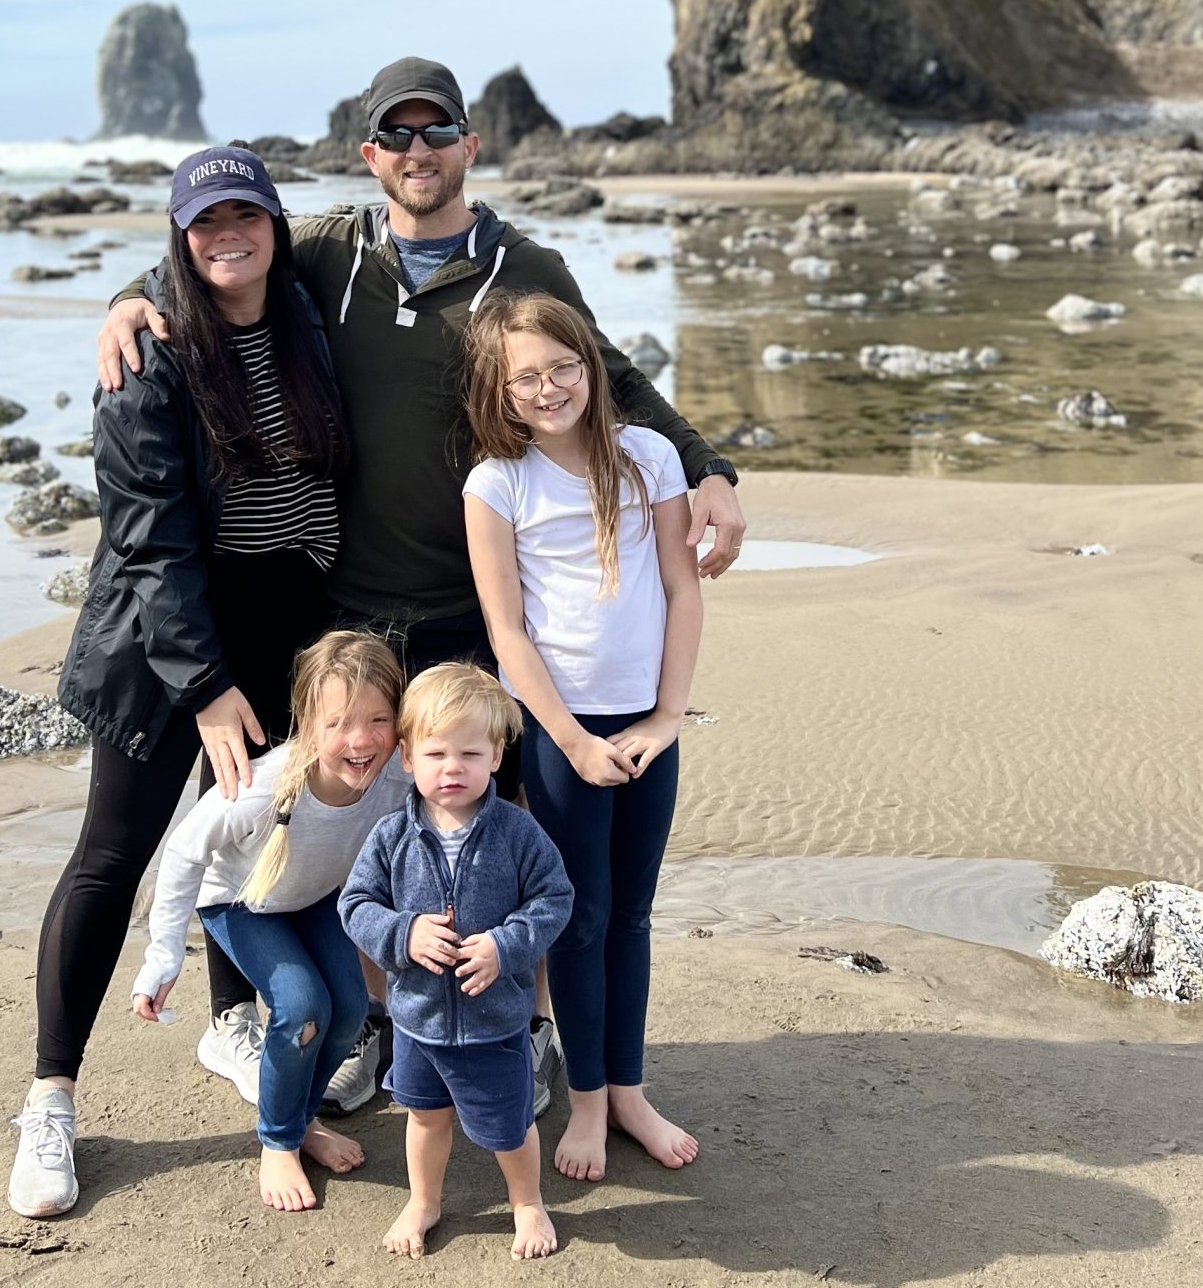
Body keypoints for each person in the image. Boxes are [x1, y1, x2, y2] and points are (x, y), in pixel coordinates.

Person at [98, 56, 746, 1112]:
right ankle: (373, 1028)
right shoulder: (329, 250)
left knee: (499, 824)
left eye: (435, 132)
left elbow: (609, 373)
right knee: (367, 823)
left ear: (468, 146)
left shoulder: (524, 262)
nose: (417, 153)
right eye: (395, 138)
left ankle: (529, 1030)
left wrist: (708, 465)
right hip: (350, 610)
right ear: (369, 157)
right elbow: (219, 258)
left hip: (482, 611)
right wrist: (127, 303)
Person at [8, 144, 349, 1221]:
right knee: (114, 856)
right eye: (204, 222)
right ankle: (52, 1098)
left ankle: (234, 1022)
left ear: (275, 222)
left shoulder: (307, 309)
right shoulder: (151, 344)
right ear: (178, 233)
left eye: (244, 213)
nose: (226, 236)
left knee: (252, 846)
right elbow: (148, 536)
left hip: (285, 634)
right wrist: (204, 687)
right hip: (170, 648)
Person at [462, 291, 702, 1183]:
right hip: (564, 736)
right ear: (504, 391)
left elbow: (682, 587)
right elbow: (508, 631)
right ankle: (589, 1103)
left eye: (563, 367)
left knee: (632, 915)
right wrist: (567, 740)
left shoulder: (649, 456)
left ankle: (630, 1090)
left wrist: (668, 715)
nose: (550, 387)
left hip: (649, 724)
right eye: (527, 378)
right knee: (580, 916)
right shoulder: (499, 483)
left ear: (591, 366)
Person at [130, 630, 406, 1214]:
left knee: (352, 1009)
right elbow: (182, 854)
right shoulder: (263, 789)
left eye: (379, 719)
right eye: (337, 725)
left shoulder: (397, 774)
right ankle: (278, 1141)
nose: (360, 741)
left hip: (310, 896)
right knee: (303, 1006)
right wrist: (163, 957)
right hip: (240, 900)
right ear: (306, 722)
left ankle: (301, 1120)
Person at [340, 663, 573, 1261]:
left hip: (495, 1020)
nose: (453, 768)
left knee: (509, 1125)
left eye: (470, 753)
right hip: (417, 1019)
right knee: (423, 1118)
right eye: (436, 752)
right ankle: (424, 1200)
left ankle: (527, 1202)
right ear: (407, 758)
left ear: (496, 756)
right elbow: (356, 905)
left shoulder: (518, 834)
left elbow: (555, 899)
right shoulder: (392, 836)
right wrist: (404, 933)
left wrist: (506, 944)